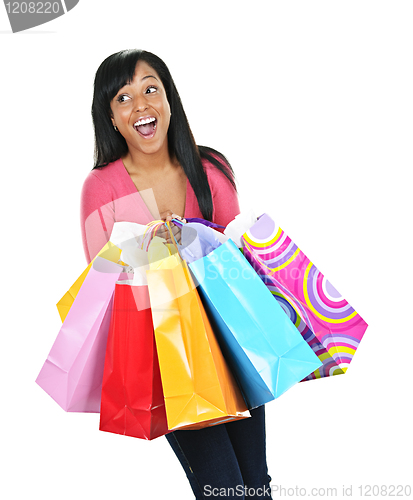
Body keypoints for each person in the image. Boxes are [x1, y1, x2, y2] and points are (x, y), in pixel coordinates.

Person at [81, 49, 272, 500]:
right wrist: (147, 253)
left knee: (257, 487)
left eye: (151, 89)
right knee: (223, 489)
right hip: (167, 359)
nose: (141, 105)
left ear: (169, 102)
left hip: (231, 347)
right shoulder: (101, 186)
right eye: (124, 98)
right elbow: (100, 288)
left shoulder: (209, 170)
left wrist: (198, 238)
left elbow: (236, 271)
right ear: (111, 117)